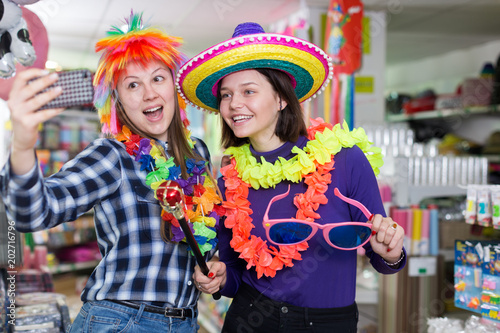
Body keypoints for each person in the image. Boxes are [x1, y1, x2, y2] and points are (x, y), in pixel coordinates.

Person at [177, 22, 407, 332]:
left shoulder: (344, 158)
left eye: (249, 91)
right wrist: (218, 275)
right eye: (227, 95)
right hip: (250, 317)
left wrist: (390, 253)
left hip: (327, 323)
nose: (234, 105)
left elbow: (382, 253)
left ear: (282, 98)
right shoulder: (230, 179)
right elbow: (233, 272)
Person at [1, 12, 223, 332]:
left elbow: (202, 234)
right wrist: (22, 143)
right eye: (133, 84)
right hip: (122, 320)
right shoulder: (112, 155)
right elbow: (33, 212)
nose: (149, 93)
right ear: (117, 101)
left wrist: (212, 266)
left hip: (183, 322)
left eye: (158, 78)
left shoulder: (197, 152)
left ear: (173, 87)